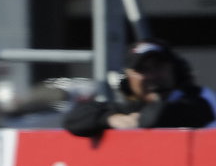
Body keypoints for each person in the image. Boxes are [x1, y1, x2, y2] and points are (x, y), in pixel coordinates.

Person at [63, 40, 216, 138]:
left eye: (159, 67)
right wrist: (110, 119)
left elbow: (155, 118)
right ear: (127, 79)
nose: (152, 76)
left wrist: (138, 116)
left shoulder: (201, 99)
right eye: (143, 70)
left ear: (176, 70)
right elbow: (74, 120)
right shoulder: (134, 106)